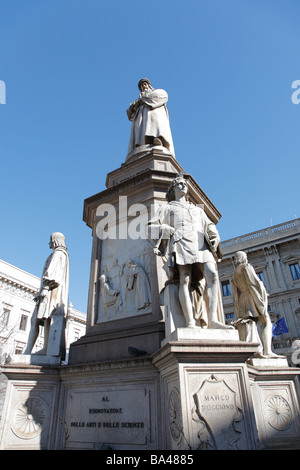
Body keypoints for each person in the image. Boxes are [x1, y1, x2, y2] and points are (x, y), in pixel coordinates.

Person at [148, 174, 232, 329]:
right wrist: (165, 229)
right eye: (179, 184)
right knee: (184, 280)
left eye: (184, 184)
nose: (183, 186)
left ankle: (213, 319)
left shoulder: (197, 210)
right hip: (181, 243)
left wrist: (215, 234)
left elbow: (209, 224)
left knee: (212, 274)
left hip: (201, 244)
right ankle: (190, 322)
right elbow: (151, 228)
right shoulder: (167, 208)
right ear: (173, 189)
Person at [24, 232, 69, 358]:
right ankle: (45, 348)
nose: (49, 242)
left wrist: (45, 288)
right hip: (50, 291)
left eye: (50, 239)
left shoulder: (58, 253)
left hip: (49, 291)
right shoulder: (61, 253)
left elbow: (53, 274)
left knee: (37, 319)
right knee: (45, 319)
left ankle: (32, 350)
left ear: (55, 240)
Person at [231, 251, 284, 358]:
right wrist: (261, 297)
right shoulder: (245, 267)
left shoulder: (234, 273)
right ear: (243, 258)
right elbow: (253, 283)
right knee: (267, 322)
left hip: (242, 299)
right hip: (251, 296)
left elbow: (235, 292)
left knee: (252, 324)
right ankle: (268, 351)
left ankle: (255, 349)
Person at [127, 78, 175, 156]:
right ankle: (141, 144)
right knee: (141, 129)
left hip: (154, 112)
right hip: (141, 116)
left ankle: (158, 139)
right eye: (141, 86)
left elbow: (163, 96)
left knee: (155, 124)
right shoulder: (137, 102)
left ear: (149, 85)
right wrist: (136, 104)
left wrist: (142, 100)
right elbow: (129, 114)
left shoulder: (159, 92)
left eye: (145, 84)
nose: (143, 87)